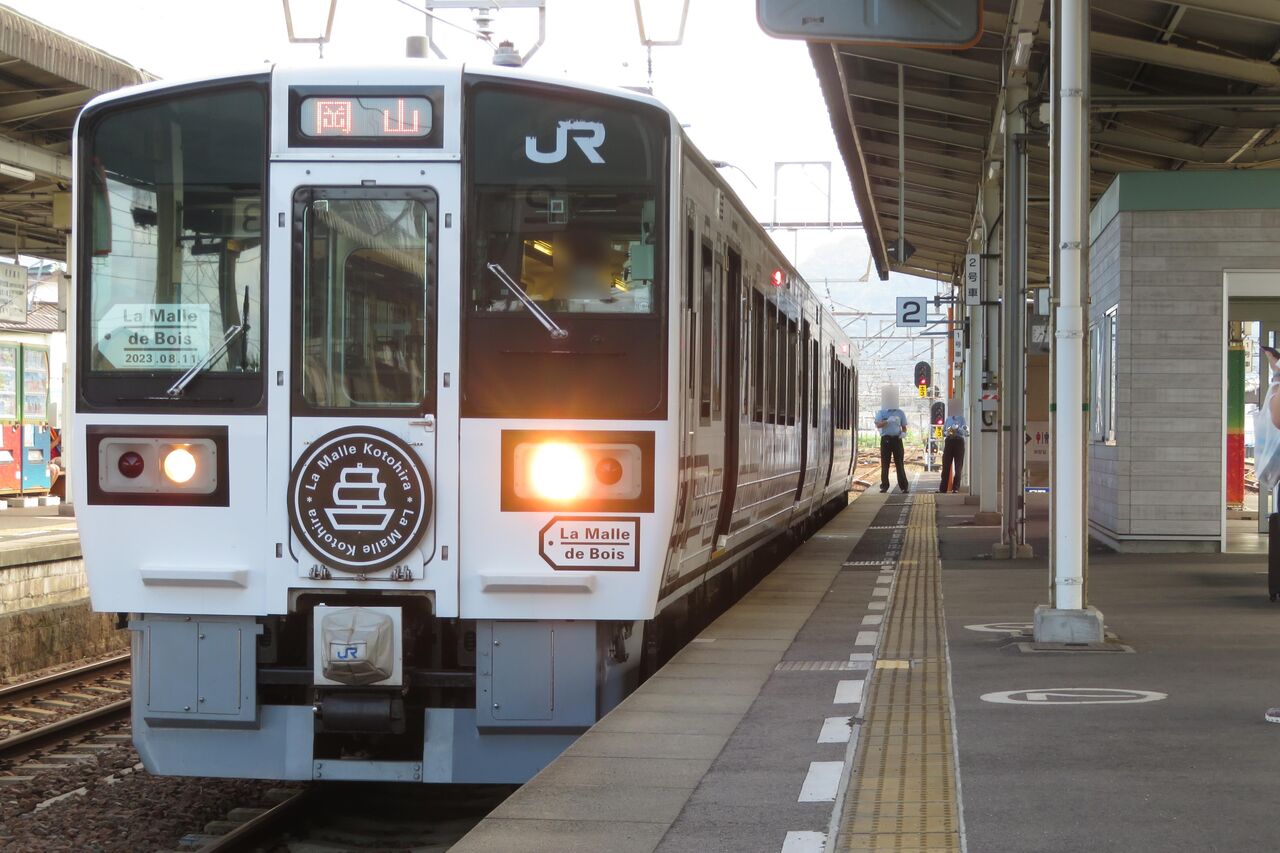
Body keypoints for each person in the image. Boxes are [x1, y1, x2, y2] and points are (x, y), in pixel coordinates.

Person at [874, 385, 909, 494]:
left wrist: (903, 433)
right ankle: (884, 486)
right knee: (885, 463)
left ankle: (904, 486)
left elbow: (904, 426)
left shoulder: (900, 412)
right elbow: (878, 425)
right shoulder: (881, 412)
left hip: (897, 439)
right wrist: (887, 421)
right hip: (886, 439)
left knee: (899, 463)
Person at [939, 399, 967, 494]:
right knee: (946, 465)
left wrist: (958, 428)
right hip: (949, 442)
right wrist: (947, 432)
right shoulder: (948, 419)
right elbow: (943, 432)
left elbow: (965, 432)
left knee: (958, 466)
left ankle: (956, 488)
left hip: (959, 442)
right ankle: (943, 489)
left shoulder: (962, 419)